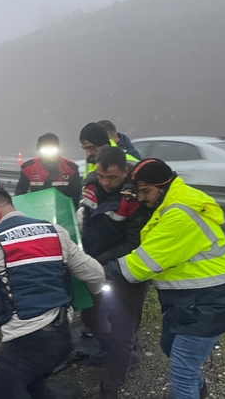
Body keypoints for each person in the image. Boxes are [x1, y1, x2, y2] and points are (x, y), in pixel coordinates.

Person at [105, 159, 225, 399]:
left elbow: (140, 266)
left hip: (209, 300)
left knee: (182, 369)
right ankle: (198, 392)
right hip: (191, 298)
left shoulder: (179, 215)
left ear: (163, 186)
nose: (141, 198)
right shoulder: (171, 202)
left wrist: (97, 271)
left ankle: (189, 392)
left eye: (146, 192)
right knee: (170, 347)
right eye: (139, 192)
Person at [0, 185, 105, 399]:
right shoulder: (56, 232)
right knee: (32, 385)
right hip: (61, 337)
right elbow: (96, 274)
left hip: (27, 342)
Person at [79, 147, 151, 398]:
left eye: (112, 178)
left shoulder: (135, 197)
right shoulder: (89, 185)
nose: (105, 182)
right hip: (92, 265)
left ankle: (110, 388)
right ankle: (121, 355)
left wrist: (100, 262)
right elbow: (84, 220)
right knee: (90, 317)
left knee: (123, 331)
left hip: (127, 270)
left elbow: (134, 242)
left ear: (124, 172)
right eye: (101, 176)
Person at [15, 133, 82, 206]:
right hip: (37, 208)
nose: (49, 154)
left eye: (53, 150)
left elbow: (77, 194)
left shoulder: (70, 168)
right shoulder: (29, 168)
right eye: (45, 150)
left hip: (63, 210)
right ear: (39, 151)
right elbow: (20, 192)